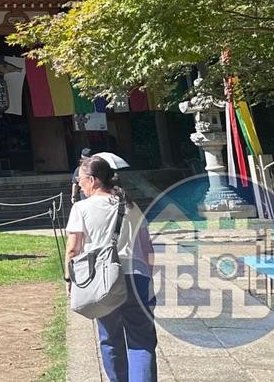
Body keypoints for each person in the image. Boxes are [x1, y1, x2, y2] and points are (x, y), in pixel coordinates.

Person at [65, 155, 156, 382]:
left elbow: (73, 249)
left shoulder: (81, 208)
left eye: (81, 180)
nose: (79, 185)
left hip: (103, 280)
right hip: (137, 277)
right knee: (142, 340)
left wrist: (70, 279)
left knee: (110, 338)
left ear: (94, 180)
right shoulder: (131, 205)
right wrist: (148, 277)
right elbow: (147, 249)